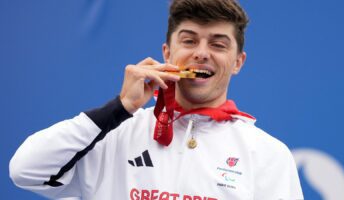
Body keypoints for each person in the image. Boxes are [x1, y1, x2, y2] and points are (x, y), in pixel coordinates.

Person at [10, 0, 304, 199]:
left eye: (218, 44)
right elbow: (25, 170)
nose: (202, 52)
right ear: (167, 53)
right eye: (189, 40)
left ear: (238, 62)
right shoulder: (114, 134)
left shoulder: (268, 155)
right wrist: (121, 107)